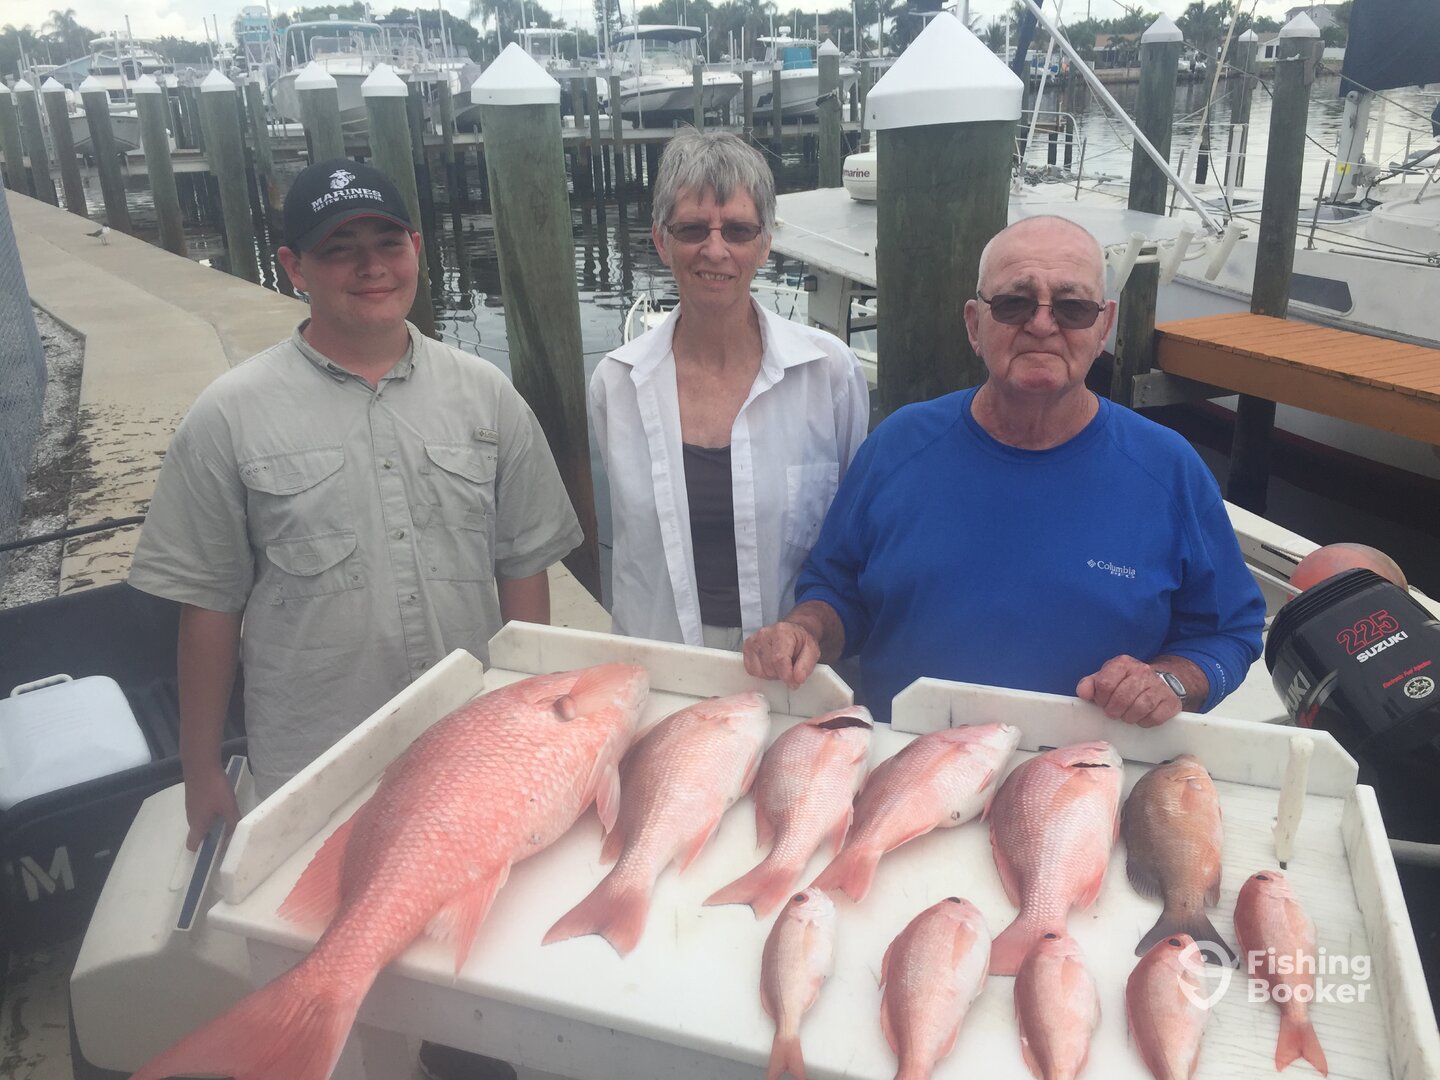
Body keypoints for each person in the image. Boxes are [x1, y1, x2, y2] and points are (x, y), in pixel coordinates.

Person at [128, 159, 582, 1080]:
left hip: (466, 762)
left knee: (470, 993)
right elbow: (207, 605)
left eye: (386, 242)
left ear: (417, 248)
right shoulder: (227, 418)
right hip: (314, 764)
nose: (371, 266)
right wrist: (202, 766)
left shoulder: (486, 396)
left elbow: (522, 568)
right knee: (334, 975)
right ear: (294, 266)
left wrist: (534, 725)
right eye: (340, 250)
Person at [743, 215, 1266, 728]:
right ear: (975, 325)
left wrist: (1170, 682)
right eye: (1015, 303)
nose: (1042, 324)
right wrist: (804, 631)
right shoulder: (898, 444)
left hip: (1087, 770)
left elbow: (1229, 632)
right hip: (908, 762)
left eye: (1072, 307)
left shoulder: (1168, 468)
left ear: (1103, 326)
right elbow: (837, 590)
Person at [589, 129, 869, 650]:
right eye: (692, 229)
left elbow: (853, 541)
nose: (715, 250)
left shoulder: (829, 373)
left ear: (764, 244)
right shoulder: (616, 383)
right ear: (662, 242)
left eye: (738, 230)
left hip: (793, 671)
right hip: (660, 661)